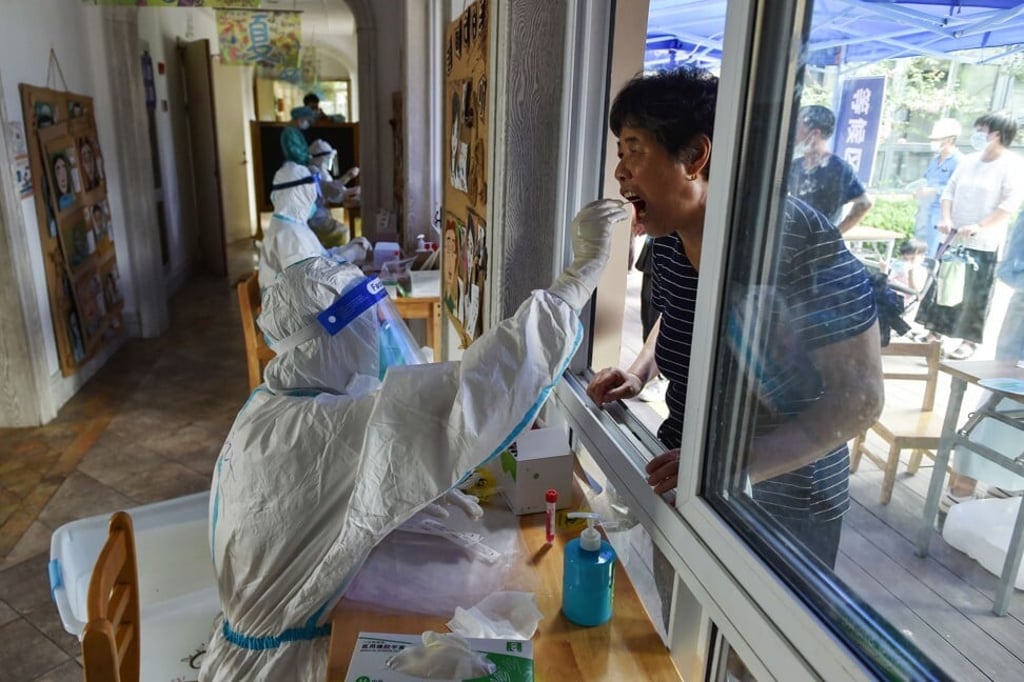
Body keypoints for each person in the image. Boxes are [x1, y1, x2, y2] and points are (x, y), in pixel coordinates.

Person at [199, 200, 630, 680]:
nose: (380, 329)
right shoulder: (323, 431)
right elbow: (472, 392)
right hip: (287, 667)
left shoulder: (273, 402)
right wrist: (578, 279)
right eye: (367, 322)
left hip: (264, 637)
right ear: (330, 339)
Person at [586, 67, 883, 569]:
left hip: (784, 502)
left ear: (695, 157)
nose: (620, 172)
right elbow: (682, 315)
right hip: (688, 473)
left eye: (634, 150)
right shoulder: (670, 236)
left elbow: (861, 400)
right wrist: (636, 374)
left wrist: (725, 467)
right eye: (620, 154)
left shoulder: (789, 238)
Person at [914, 110, 1024, 362]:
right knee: (944, 285)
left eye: (981, 130)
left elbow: (1009, 205)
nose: (976, 135)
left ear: (996, 134)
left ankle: (968, 341)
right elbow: (949, 192)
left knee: (975, 292)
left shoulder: (1012, 165)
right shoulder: (969, 160)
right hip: (953, 236)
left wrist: (979, 225)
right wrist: (946, 218)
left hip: (983, 241)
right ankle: (935, 333)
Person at [257, 162, 369, 290]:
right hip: (295, 307)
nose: (313, 200)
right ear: (299, 194)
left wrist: (346, 248)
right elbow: (315, 280)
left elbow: (320, 258)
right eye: (310, 194)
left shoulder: (292, 225)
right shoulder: (289, 235)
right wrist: (351, 254)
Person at [788, 104, 873, 233]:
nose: (791, 131)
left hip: (817, 246)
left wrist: (835, 234)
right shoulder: (795, 166)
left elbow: (864, 203)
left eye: (797, 125)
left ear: (815, 133)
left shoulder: (838, 168)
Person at [913, 118, 963, 259]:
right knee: (918, 250)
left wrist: (935, 191)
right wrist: (919, 190)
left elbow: (957, 189)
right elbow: (926, 180)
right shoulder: (935, 159)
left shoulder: (959, 161)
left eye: (937, 139)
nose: (933, 142)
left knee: (931, 252)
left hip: (940, 213)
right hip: (925, 209)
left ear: (950, 139)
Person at [306, 138, 359, 248]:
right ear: (322, 158)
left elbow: (336, 195)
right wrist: (348, 176)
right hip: (315, 218)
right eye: (329, 158)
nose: (330, 161)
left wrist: (351, 192)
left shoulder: (322, 172)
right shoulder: (312, 171)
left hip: (322, 214)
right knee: (342, 234)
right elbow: (328, 189)